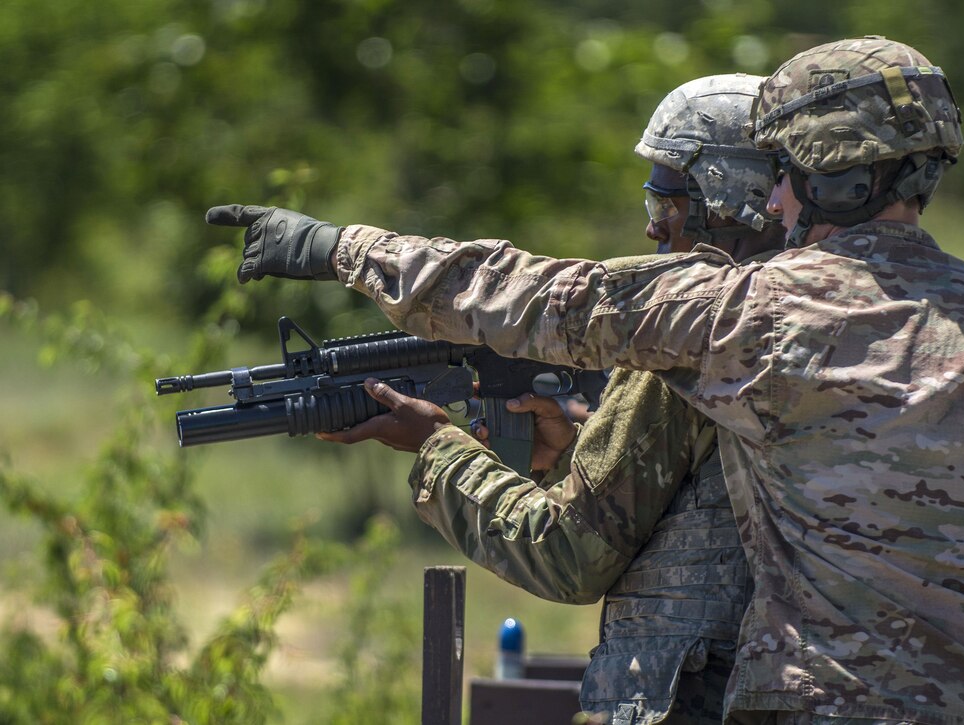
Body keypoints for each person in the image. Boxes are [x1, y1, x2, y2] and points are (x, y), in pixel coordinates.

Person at [207, 36, 964, 724]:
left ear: (836, 179)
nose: (776, 203)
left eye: (787, 177)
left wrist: (336, 248)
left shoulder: (749, 313)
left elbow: (538, 293)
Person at [318, 74, 782, 725]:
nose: (654, 232)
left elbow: (566, 553)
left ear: (729, 197)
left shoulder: (700, 334)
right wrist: (576, 453)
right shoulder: (854, 315)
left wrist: (435, 446)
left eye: (666, 205)